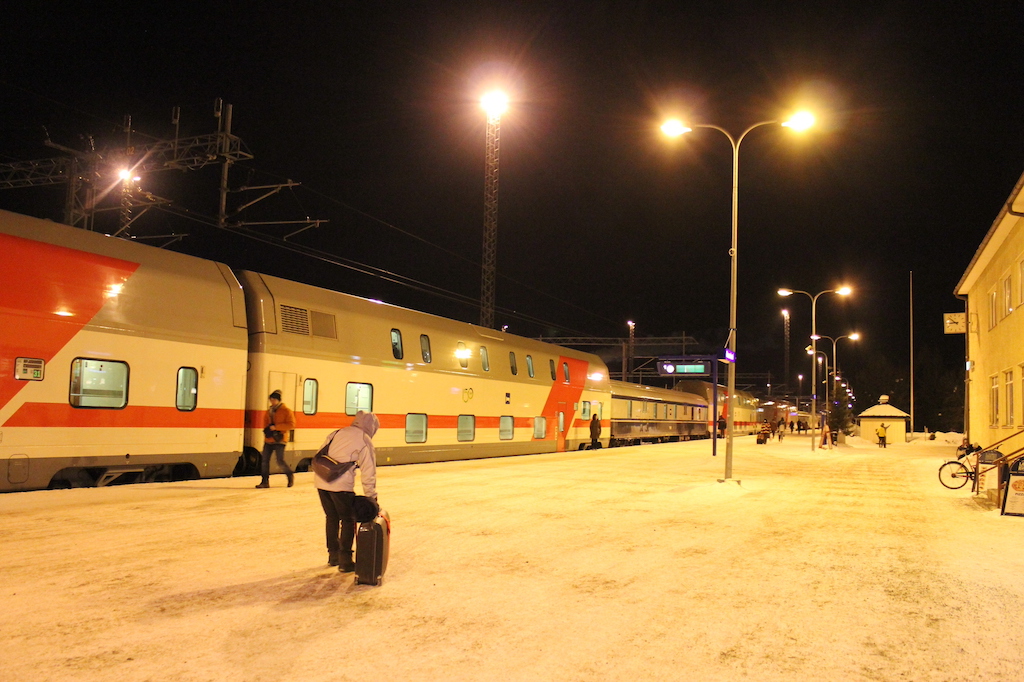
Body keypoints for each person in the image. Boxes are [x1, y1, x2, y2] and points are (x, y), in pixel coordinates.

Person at [315, 411, 379, 572]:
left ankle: (333, 556)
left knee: (331, 517)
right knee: (348, 520)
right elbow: (368, 471)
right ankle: (345, 561)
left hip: (321, 481)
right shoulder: (364, 439)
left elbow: (321, 452)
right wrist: (372, 498)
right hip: (341, 485)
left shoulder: (338, 432)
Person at [256, 390, 296, 488]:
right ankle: (264, 481)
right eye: (271, 400)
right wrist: (267, 431)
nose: (272, 402)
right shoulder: (268, 411)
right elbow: (265, 423)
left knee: (280, 460)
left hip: (280, 439)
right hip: (269, 439)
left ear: (278, 400)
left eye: (274, 400)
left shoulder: (286, 411)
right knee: (264, 460)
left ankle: (289, 475)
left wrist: (277, 427)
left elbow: (292, 425)